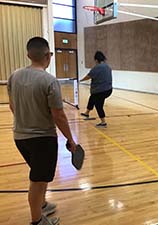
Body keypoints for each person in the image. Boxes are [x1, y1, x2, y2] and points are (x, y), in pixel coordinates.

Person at [7, 37, 77, 225]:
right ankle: (37, 221)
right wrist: (71, 140)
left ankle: (42, 204)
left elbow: (12, 106)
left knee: (39, 173)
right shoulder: (49, 80)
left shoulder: (14, 76)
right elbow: (59, 115)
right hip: (42, 140)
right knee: (37, 181)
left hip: (19, 137)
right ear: (49, 55)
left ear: (28, 54)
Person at [80, 51, 112, 127]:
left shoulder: (97, 67)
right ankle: (87, 113)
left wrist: (80, 80)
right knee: (92, 98)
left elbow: (89, 76)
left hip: (100, 91)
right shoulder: (108, 67)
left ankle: (103, 122)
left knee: (98, 105)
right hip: (108, 90)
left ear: (96, 60)